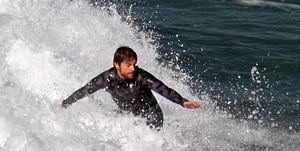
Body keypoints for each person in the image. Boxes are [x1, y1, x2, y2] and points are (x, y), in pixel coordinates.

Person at [61, 46, 200, 129]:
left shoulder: (142, 77)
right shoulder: (107, 79)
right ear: (117, 65)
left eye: (134, 64)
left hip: (152, 116)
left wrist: (182, 101)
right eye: (128, 65)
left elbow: (163, 89)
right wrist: (66, 103)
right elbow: (85, 90)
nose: (133, 68)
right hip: (130, 116)